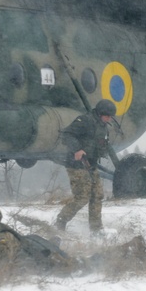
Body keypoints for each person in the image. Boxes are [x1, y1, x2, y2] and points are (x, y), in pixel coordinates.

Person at [0, 200, 146, 274]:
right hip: (35, 251)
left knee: (84, 265)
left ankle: (131, 248)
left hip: (47, 263)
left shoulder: (2, 239)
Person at [54, 99, 116, 233]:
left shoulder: (103, 126)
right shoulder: (85, 121)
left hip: (91, 165)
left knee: (97, 195)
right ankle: (61, 221)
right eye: (107, 116)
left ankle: (96, 229)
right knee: (82, 197)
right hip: (76, 165)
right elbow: (66, 134)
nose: (109, 119)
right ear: (100, 113)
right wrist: (77, 149)